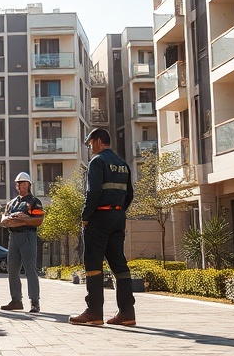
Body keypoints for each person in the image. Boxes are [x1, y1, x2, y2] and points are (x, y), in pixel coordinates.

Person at [70, 128, 136, 327]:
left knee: (93, 264)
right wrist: (118, 211)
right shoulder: (123, 164)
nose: (90, 148)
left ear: (98, 141)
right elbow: (129, 195)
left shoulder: (97, 162)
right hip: (118, 217)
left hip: (99, 217)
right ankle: (127, 312)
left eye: (90, 144)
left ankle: (94, 312)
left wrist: (85, 216)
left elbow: (93, 193)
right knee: (119, 265)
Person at [0, 171, 43, 313]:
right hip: (14, 237)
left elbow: (38, 220)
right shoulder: (11, 203)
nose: (20, 185)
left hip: (27, 236)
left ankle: (34, 302)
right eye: (18, 183)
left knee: (30, 269)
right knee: (12, 270)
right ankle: (16, 300)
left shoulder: (34, 202)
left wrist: (22, 219)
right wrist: (18, 220)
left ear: (28, 184)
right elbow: (4, 222)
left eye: (23, 183)